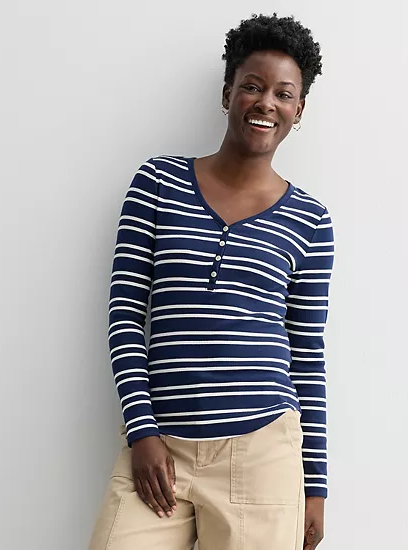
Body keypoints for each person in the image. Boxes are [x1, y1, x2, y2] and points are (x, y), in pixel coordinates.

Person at [89, 12, 335, 550]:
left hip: (263, 453)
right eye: (252, 86)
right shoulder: (157, 183)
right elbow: (125, 318)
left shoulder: (311, 221)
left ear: (298, 110)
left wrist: (315, 486)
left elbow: (306, 355)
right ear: (228, 93)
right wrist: (142, 431)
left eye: (283, 93)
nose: (266, 102)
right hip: (160, 448)